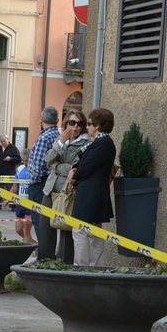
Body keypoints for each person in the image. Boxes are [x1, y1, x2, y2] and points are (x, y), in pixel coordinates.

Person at [67, 108, 117, 267]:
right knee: (94, 233)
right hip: (94, 192)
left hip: (91, 193)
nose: (87, 127)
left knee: (81, 231)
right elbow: (83, 162)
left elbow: (88, 165)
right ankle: (96, 268)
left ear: (98, 125)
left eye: (89, 124)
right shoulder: (99, 142)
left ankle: (81, 269)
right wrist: (74, 168)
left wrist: (73, 176)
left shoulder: (102, 143)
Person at [43, 110, 89, 263]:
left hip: (67, 192)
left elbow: (74, 167)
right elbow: (48, 158)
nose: (75, 127)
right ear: (65, 124)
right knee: (45, 228)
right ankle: (45, 261)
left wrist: (55, 166)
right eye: (72, 123)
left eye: (79, 124)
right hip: (50, 189)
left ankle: (64, 264)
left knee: (65, 230)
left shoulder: (86, 142)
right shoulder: (60, 139)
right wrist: (60, 143)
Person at [27, 106, 60, 258]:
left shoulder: (44, 138)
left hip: (40, 184)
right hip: (53, 182)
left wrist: (32, 180)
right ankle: (50, 255)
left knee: (40, 223)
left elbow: (38, 166)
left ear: (41, 120)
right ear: (57, 120)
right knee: (49, 223)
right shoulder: (59, 136)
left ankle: (45, 257)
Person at [2, 149, 35, 244]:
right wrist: (8, 198)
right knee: (18, 229)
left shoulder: (35, 170)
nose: (25, 163)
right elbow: (15, 186)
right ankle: (34, 243)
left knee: (26, 228)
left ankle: (26, 250)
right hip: (20, 203)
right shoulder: (20, 169)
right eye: (23, 160)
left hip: (30, 203)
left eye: (27, 161)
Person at [0, 134, 21, 210]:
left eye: (4, 141)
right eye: (1, 142)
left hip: (9, 173)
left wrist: (11, 159)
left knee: (11, 189)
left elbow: (19, 159)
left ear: (8, 139)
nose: (3, 143)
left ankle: (13, 205)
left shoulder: (13, 148)